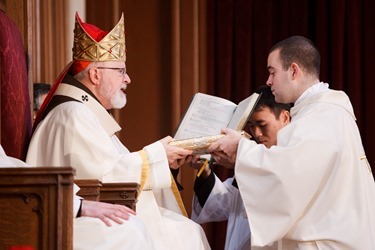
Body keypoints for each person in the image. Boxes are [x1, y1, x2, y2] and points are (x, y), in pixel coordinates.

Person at [26, 12, 210, 250]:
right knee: (184, 234)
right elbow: (106, 178)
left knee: (186, 231)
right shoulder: (74, 114)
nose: (128, 79)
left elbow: (110, 169)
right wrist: (157, 154)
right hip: (69, 220)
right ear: (95, 74)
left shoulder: (83, 112)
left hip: (83, 212)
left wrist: (165, 160)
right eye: (120, 71)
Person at [207, 35, 375, 249]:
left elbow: (286, 177)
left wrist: (239, 150)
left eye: (272, 72)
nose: (268, 81)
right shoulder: (327, 114)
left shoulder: (321, 117)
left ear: (294, 71)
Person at [191, 85, 291, 250]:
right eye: (251, 125)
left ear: (285, 117)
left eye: (262, 124)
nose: (256, 133)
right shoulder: (253, 157)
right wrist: (205, 171)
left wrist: (242, 164)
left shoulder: (292, 159)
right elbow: (221, 205)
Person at [0, 144, 154, 250]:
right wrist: (72, 205)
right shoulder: (73, 111)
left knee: (131, 224)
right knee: (127, 232)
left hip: (38, 203)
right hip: (20, 217)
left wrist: (71, 202)